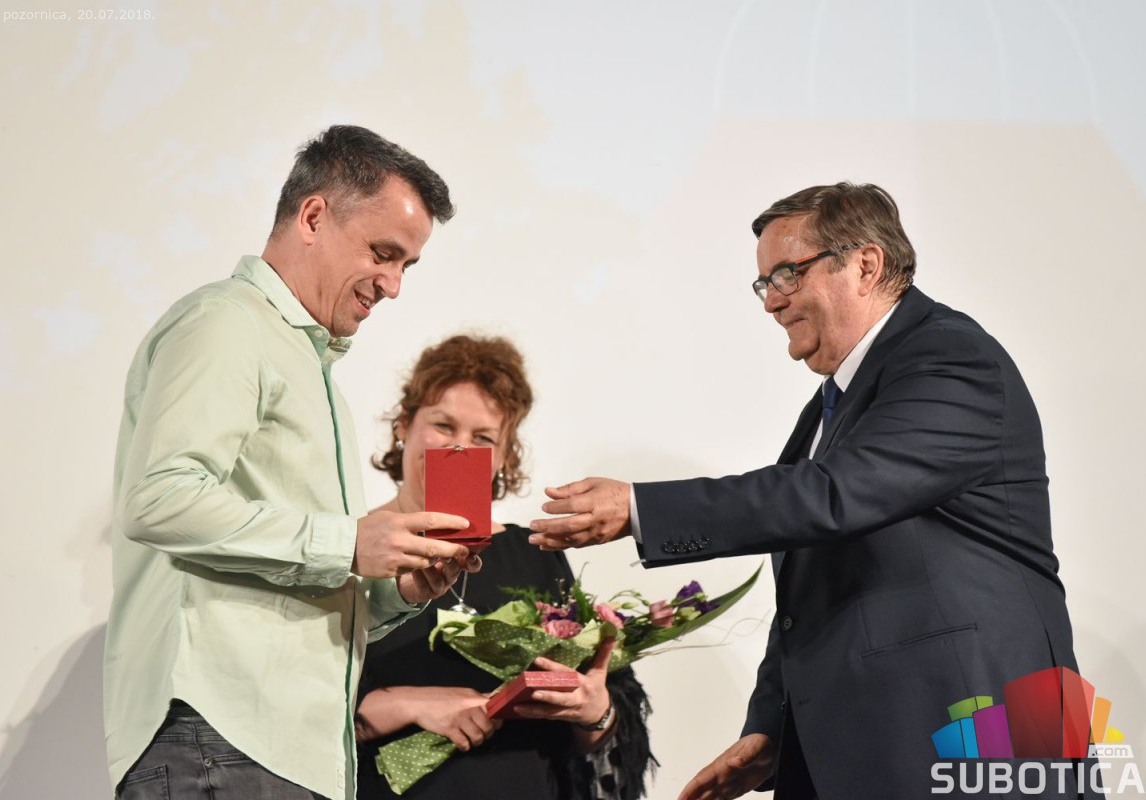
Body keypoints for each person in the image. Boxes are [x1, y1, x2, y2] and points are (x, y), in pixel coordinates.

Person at [528, 183, 1083, 799]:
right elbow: (814, 581)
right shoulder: (832, 405)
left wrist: (640, 508)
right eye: (764, 284)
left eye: (787, 275)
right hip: (873, 752)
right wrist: (772, 727)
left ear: (865, 265)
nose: (771, 302)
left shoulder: (952, 358)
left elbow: (829, 496)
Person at [105, 125, 481, 800]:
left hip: (276, 751)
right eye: (384, 254)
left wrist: (399, 590)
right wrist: (347, 542)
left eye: (407, 266)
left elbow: (299, 581)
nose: (394, 285)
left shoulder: (312, 370)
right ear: (312, 217)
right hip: (221, 739)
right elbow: (157, 498)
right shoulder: (229, 323)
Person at [354, 334, 655, 800]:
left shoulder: (533, 553)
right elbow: (293, 710)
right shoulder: (355, 549)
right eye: (443, 426)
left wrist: (595, 709)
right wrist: (410, 704)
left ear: (504, 456)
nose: (459, 448)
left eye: (483, 438)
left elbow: (602, 733)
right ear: (404, 426)